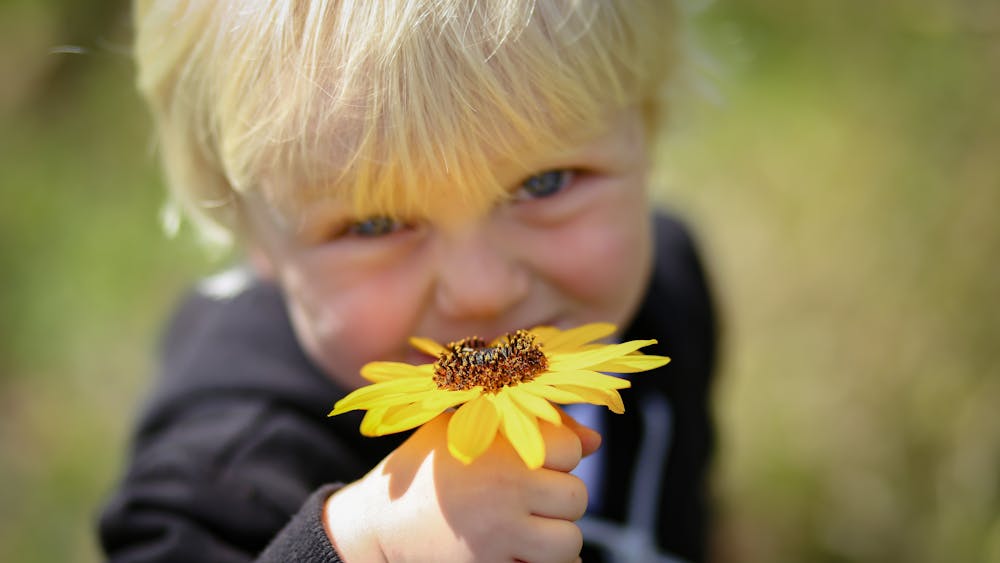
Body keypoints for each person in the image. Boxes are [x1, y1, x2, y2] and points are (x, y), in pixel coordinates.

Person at [100, 1, 718, 561]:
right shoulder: (227, 467)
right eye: (376, 224)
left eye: (545, 183)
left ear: (649, 130)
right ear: (252, 236)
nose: (482, 291)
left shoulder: (667, 295)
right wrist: (356, 549)